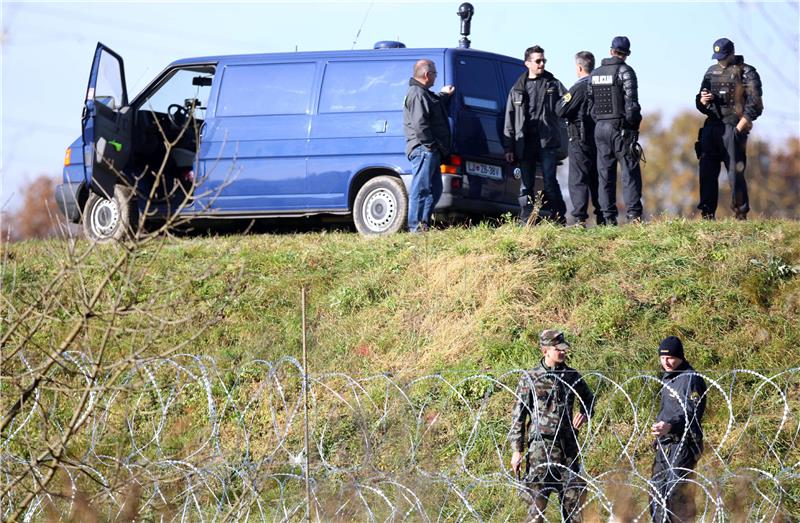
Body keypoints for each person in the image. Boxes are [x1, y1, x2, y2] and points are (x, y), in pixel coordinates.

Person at [509, 330, 595, 522]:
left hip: (567, 449)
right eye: (558, 349)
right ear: (545, 351)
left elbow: (589, 398)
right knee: (536, 507)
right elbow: (518, 416)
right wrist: (517, 450)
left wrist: (584, 413)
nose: (563, 353)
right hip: (540, 448)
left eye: (564, 349)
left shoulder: (572, 376)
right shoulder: (531, 378)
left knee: (574, 503)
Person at [695, 38, 763, 220]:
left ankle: (740, 215)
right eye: (717, 57)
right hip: (711, 128)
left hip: (733, 128)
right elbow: (699, 102)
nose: (720, 61)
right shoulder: (711, 72)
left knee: (735, 174)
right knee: (707, 172)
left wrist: (740, 127)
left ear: (732, 53)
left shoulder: (747, 72)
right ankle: (707, 214)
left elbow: (756, 103)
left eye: (723, 57)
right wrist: (702, 101)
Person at [503, 46, 568, 225]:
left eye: (543, 61)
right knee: (526, 185)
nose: (541, 64)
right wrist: (509, 147)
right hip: (525, 143)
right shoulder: (517, 89)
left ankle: (558, 219)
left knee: (549, 182)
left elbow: (569, 100)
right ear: (528, 63)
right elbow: (509, 119)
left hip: (547, 141)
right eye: (538, 61)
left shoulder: (553, 84)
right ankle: (527, 220)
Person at [650, 336, 707, 523]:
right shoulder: (669, 378)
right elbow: (665, 412)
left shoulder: (691, 380)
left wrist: (671, 426)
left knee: (677, 496)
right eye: (662, 357)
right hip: (665, 445)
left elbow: (692, 414)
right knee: (657, 495)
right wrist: (658, 438)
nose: (666, 362)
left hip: (683, 445)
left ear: (680, 356)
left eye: (671, 357)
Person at [587, 36, 643, 225]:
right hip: (620, 129)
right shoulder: (626, 71)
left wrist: (600, 123)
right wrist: (633, 126)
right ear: (627, 54)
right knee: (629, 172)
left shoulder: (594, 74)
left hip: (600, 129)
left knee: (604, 175)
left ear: (611, 51)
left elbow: (590, 105)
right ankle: (634, 216)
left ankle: (608, 219)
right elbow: (632, 106)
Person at [403, 59, 455, 232]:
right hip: (424, 150)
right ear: (427, 75)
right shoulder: (417, 94)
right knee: (421, 189)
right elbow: (420, 124)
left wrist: (444, 95)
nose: (436, 77)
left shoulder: (423, 93)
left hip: (429, 150)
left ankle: (423, 224)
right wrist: (430, 145)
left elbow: (433, 104)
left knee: (435, 189)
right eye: (435, 74)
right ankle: (415, 227)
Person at [556, 51, 605, 227]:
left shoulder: (578, 87)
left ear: (579, 67)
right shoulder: (602, 85)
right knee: (598, 179)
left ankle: (579, 220)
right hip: (600, 140)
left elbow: (560, 109)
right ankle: (603, 217)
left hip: (580, 139)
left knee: (578, 179)